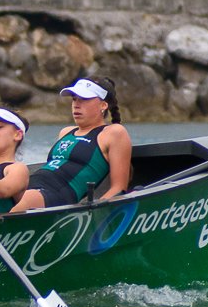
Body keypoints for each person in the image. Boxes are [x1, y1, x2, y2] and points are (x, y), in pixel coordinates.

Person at [10, 77, 133, 211]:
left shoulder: (113, 132)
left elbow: (119, 188)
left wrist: (93, 211)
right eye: (74, 99)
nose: (76, 104)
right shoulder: (65, 132)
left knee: (26, 200)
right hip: (31, 184)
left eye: (84, 99)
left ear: (103, 105)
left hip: (57, 195)